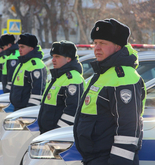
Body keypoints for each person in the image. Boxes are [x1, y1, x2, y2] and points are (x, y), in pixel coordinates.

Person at [73, 18, 146, 165]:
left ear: (118, 47)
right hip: (95, 158)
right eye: (95, 42)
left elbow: (128, 130)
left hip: (109, 160)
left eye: (103, 43)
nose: (97, 48)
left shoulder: (123, 78)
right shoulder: (104, 73)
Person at [38, 40, 86, 134]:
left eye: (57, 57)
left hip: (57, 136)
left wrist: (58, 132)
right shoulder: (59, 76)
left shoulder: (73, 78)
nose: (53, 60)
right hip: (49, 134)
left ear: (68, 59)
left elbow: (73, 111)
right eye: (53, 56)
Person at [10, 33, 47, 111]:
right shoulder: (23, 63)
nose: (19, 50)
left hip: (26, 111)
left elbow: (38, 91)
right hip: (19, 109)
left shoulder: (36, 65)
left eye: (22, 47)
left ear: (31, 48)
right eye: (19, 47)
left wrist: (29, 111)